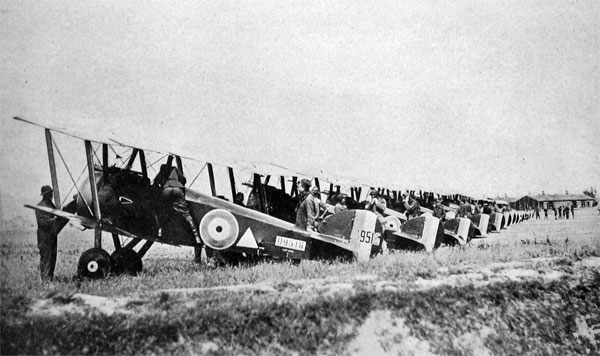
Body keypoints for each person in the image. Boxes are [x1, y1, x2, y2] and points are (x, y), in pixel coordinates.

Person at [161, 167, 206, 262]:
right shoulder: (176, 170)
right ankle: (197, 237)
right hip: (177, 189)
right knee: (187, 214)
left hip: (166, 189)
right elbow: (183, 181)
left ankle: (162, 230)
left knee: (163, 211)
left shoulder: (164, 168)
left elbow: (159, 179)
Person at [35, 185, 59, 282]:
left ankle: (50, 278)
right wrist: (54, 220)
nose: (51, 195)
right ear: (45, 195)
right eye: (50, 193)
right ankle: (45, 280)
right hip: (44, 237)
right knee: (46, 258)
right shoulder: (40, 206)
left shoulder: (51, 205)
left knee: (52, 257)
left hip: (52, 235)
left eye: (51, 193)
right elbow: (42, 222)